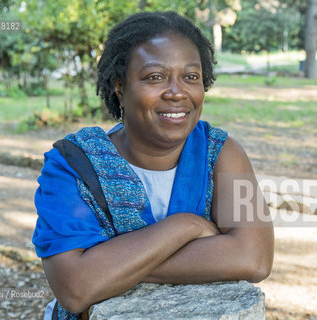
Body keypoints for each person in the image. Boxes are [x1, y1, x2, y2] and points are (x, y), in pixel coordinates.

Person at [32, 11, 274, 320]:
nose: (177, 92)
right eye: (154, 77)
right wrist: (187, 226)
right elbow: (75, 289)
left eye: (191, 77)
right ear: (120, 85)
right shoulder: (73, 164)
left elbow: (254, 258)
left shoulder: (220, 153)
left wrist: (110, 268)